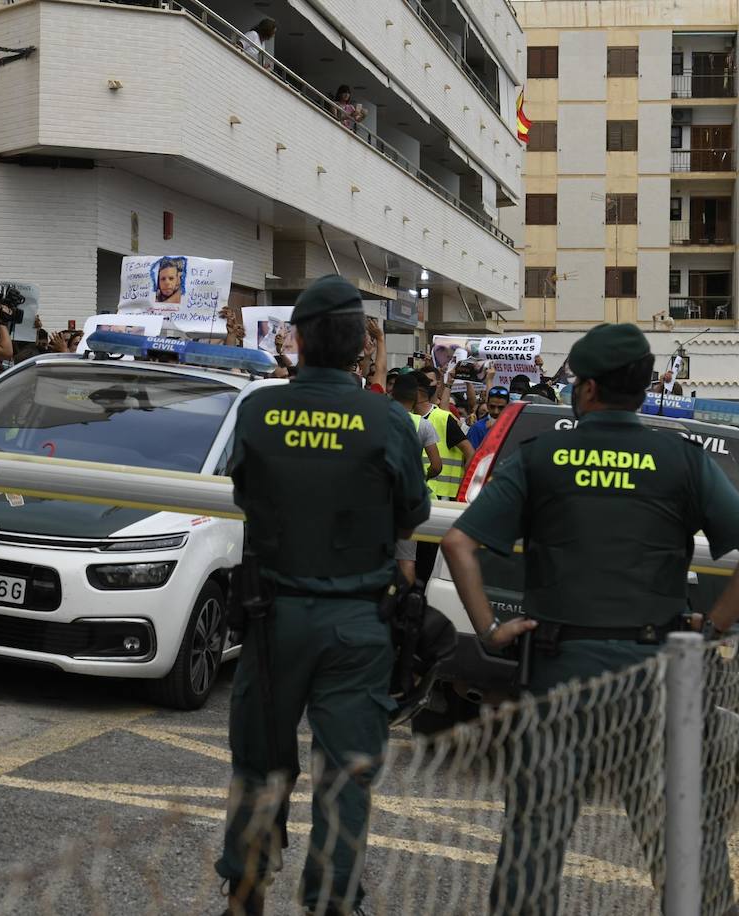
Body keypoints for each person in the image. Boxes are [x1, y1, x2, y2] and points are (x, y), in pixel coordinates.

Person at [440, 322, 739, 914]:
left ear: (590, 389)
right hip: (655, 680)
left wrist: (491, 629)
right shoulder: (682, 459)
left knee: (533, 850)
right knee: (684, 847)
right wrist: (710, 631)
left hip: (557, 676)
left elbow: (459, 545)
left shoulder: (541, 457)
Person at [215, 274, 429, 916]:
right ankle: (335, 899)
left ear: (299, 342)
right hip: (357, 624)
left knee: (258, 764)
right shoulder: (390, 420)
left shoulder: (257, 409)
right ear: (360, 350)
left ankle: (247, 891)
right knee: (346, 774)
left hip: (271, 617)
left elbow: (244, 492)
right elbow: (412, 514)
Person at [390, 372, 441, 585]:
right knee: (406, 559)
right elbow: (437, 465)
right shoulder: (423, 424)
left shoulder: (377, 417)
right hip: (407, 500)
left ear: (392, 392)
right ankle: (404, 608)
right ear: (415, 396)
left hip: (378, 496)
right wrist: (423, 475)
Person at [416, 376, 474, 500]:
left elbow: (470, 453)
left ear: (418, 393)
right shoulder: (407, 418)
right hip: (417, 492)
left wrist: (466, 486)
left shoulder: (444, 419)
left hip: (445, 496)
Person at [467, 385, 511, 449]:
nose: (496, 412)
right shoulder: (477, 428)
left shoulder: (514, 427)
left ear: (508, 406)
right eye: (492, 407)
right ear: (487, 405)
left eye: (501, 407)